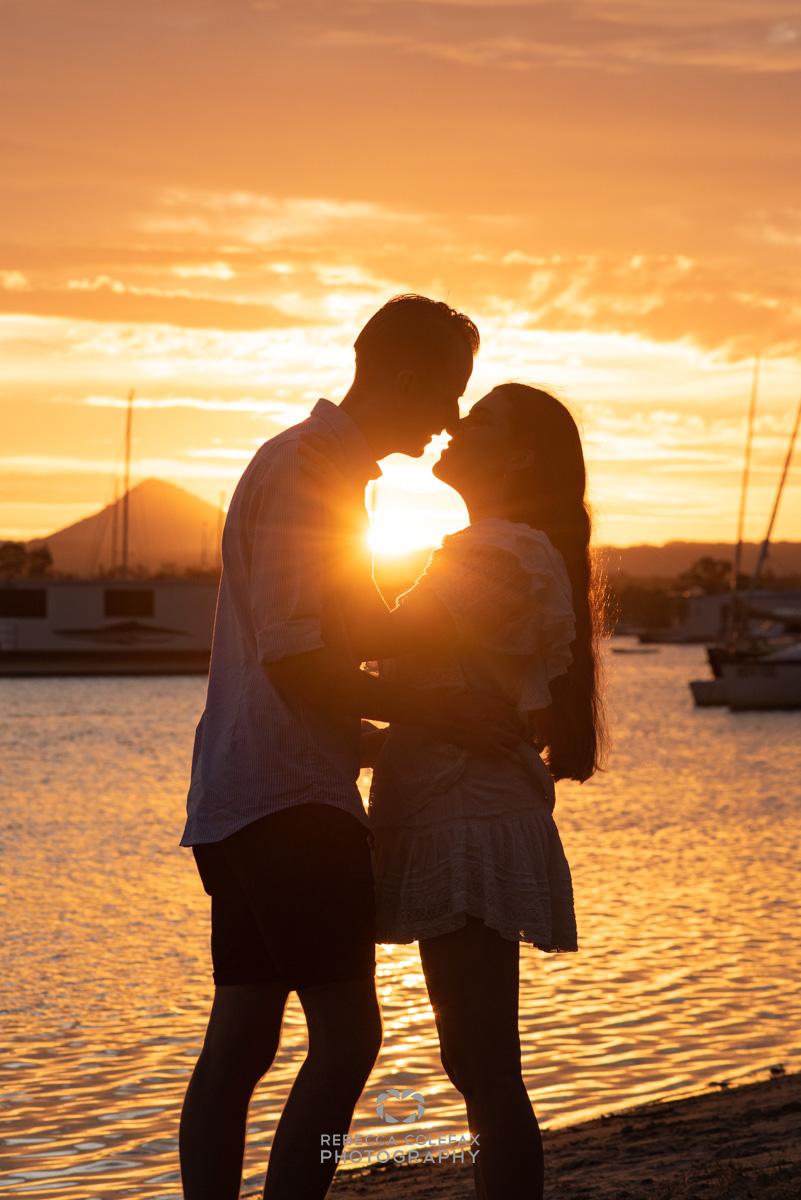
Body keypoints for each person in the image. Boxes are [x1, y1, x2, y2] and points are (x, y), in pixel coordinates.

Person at [177, 295, 523, 1200]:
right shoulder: (307, 474)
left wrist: (463, 614)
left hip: (240, 791)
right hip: (290, 804)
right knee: (349, 1036)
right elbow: (298, 662)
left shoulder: (321, 471)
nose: (450, 417)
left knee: (245, 1038)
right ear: (404, 378)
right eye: (448, 392)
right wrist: (442, 718)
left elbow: (347, 634)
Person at [351, 383, 608, 1200]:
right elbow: (429, 696)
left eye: (482, 418)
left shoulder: (501, 551)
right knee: (473, 1063)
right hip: (452, 803)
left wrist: (283, 593)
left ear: (520, 455)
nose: (457, 423)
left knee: (486, 1069)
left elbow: (374, 638)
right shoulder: (489, 547)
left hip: (469, 815)